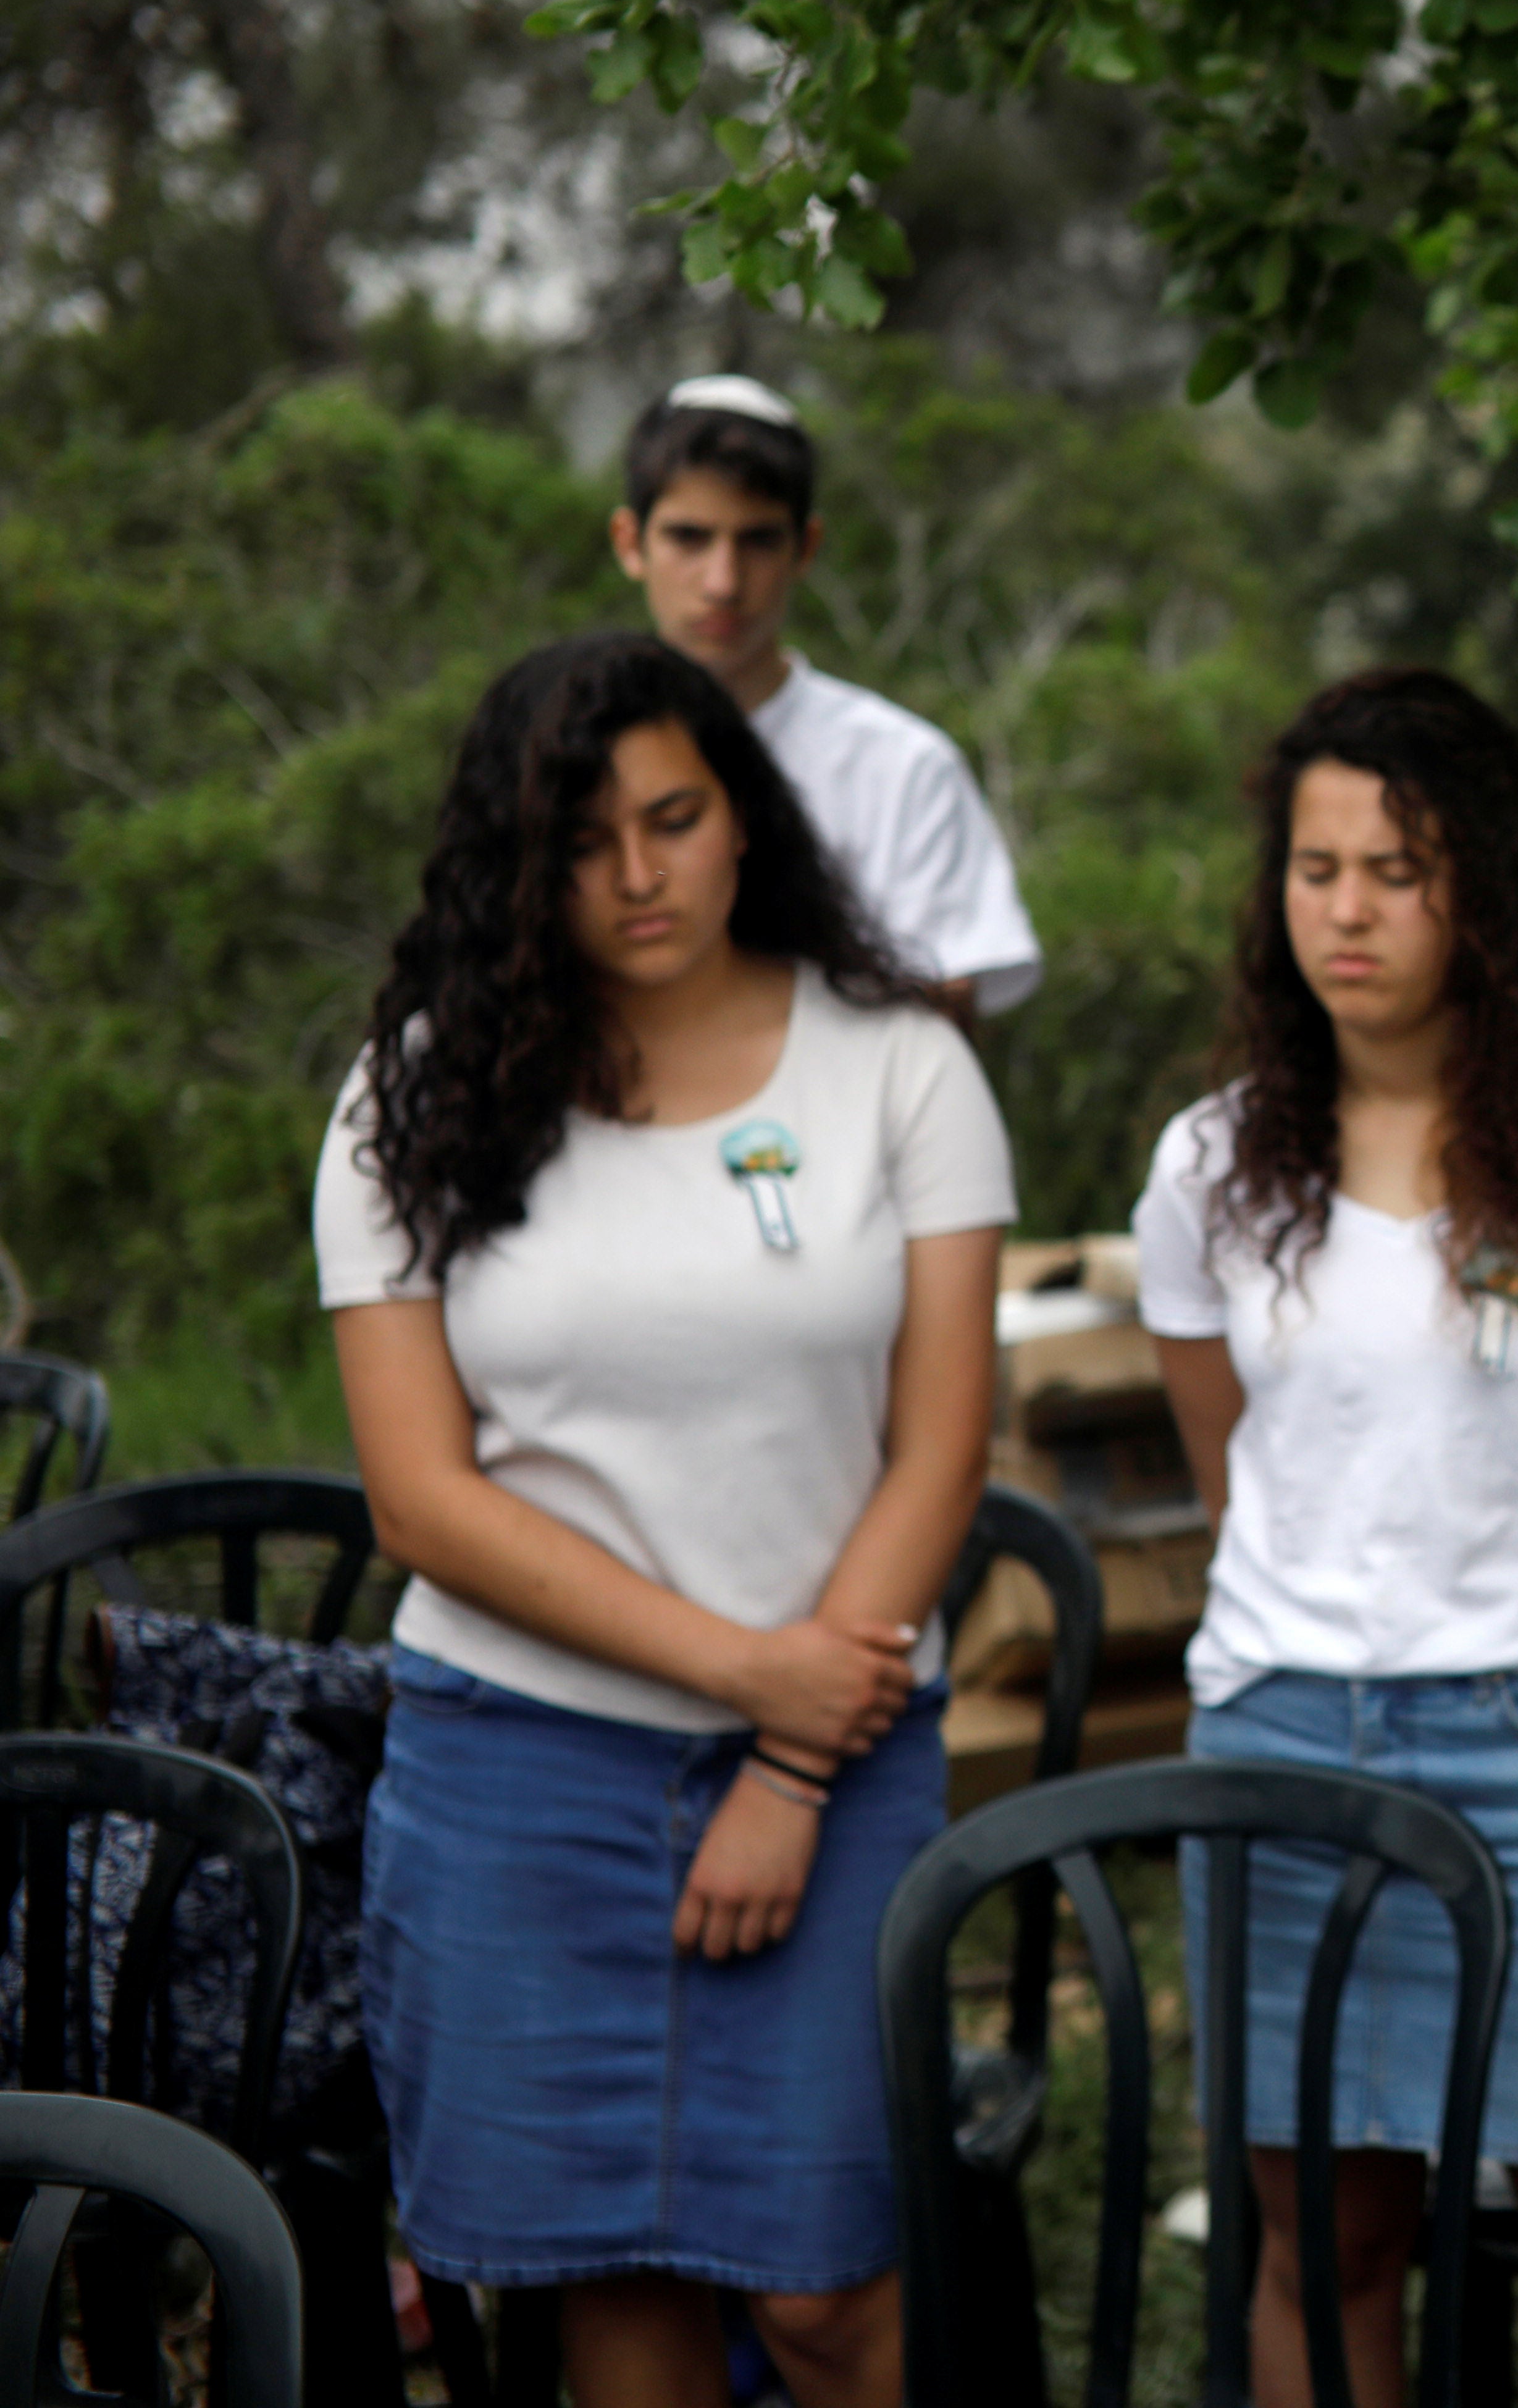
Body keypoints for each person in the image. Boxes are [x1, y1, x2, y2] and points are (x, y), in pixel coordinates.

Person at [316, 629, 1012, 2408]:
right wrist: (742, 1672)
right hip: (516, 1772)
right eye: (582, 842)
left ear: (748, 818)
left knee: (830, 2304)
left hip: (843, 1764)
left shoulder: (899, 1073)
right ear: (513, 868)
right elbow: (423, 1498)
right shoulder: (411, 1098)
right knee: (615, 2295)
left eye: (677, 819)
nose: (639, 876)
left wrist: (789, 1756)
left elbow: (938, 1452)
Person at [1136, 667, 1518, 2408]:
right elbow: (1234, 1471)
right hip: (1281, 1746)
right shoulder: (1208, 1167)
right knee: (1325, 2247)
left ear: (1486, 886)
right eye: (1318, 871)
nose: (1351, 911)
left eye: (1397, 869)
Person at [610, 372, 1045, 1020]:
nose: (723, 582)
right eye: (689, 538)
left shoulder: (903, 768)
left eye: (758, 540)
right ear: (630, 542)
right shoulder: (569, 754)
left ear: (805, 547)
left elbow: (945, 1008)